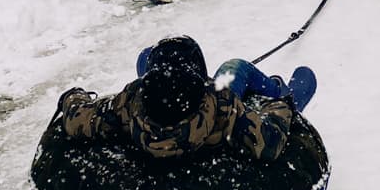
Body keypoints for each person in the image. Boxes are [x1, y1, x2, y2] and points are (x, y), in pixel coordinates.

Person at [55, 36, 315, 163]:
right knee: (235, 67)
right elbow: (269, 141)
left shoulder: (128, 105)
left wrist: (73, 96)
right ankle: (279, 89)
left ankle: (168, 80)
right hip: (204, 112)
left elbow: (77, 116)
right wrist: (281, 107)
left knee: (147, 55)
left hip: (169, 101)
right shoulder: (223, 107)